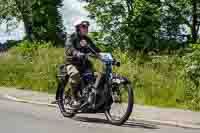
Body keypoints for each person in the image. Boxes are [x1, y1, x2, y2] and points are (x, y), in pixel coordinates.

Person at [52, 18, 101, 109]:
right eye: (83, 26)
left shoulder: (86, 39)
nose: (86, 28)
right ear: (78, 28)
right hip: (71, 63)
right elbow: (70, 48)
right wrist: (77, 53)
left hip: (84, 63)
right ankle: (74, 97)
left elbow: (95, 49)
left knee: (95, 76)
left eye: (87, 27)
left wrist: (103, 55)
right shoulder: (71, 37)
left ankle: (89, 97)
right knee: (75, 74)